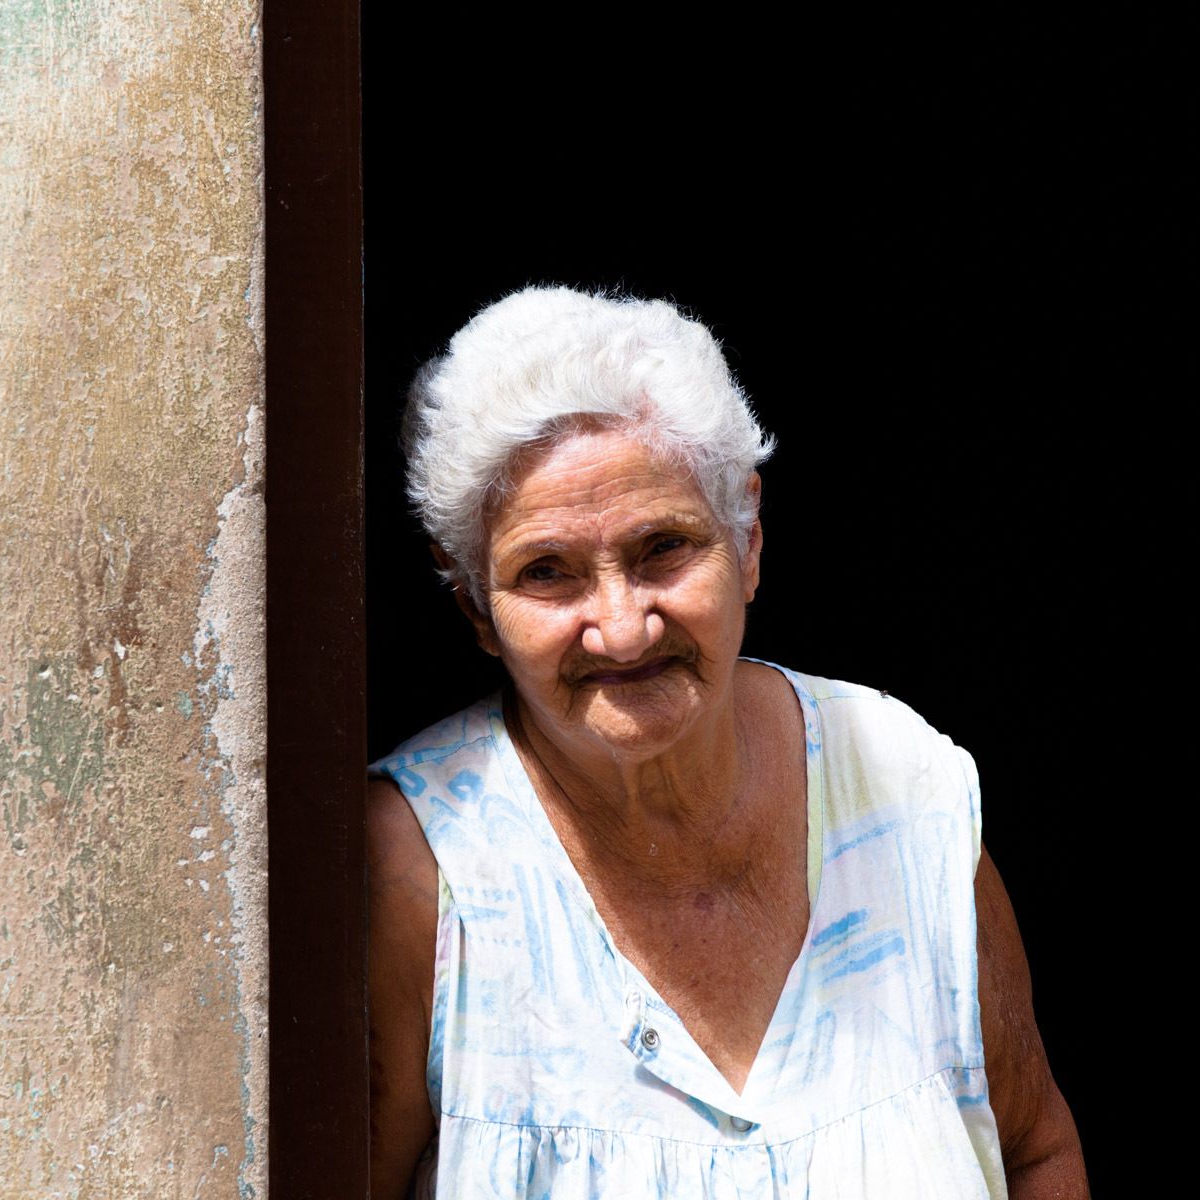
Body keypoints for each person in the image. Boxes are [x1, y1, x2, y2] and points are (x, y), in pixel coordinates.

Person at [367, 286, 1087, 1199]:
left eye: (663, 548)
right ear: (475, 606)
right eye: (546, 573)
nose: (621, 629)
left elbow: (1034, 1152)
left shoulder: (903, 791)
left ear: (746, 540)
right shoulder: (417, 875)